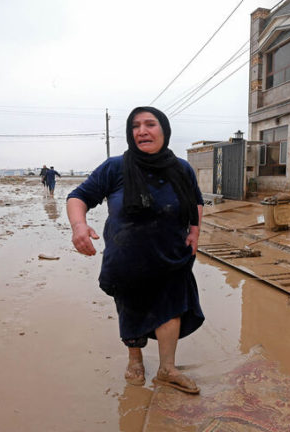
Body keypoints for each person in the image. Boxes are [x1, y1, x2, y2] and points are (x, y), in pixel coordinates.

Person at [66, 106, 204, 394]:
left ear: (164, 130)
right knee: (132, 310)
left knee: (171, 310)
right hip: (127, 258)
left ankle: (167, 368)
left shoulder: (182, 168)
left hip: (170, 255)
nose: (142, 131)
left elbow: (196, 201)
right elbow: (78, 196)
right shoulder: (115, 167)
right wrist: (79, 226)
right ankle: (135, 359)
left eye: (150, 124)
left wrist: (194, 230)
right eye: (135, 126)